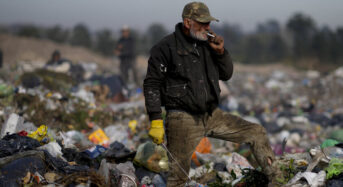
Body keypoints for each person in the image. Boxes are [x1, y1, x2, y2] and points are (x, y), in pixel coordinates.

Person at [143, 2, 281, 186]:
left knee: (256, 132)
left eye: (208, 23)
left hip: (212, 114)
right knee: (178, 177)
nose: (207, 27)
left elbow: (226, 74)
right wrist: (156, 119)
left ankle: (278, 180)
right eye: (202, 23)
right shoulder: (165, 48)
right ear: (187, 22)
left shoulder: (208, 44)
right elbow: (152, 83)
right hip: (182, 119)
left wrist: (221, 53)